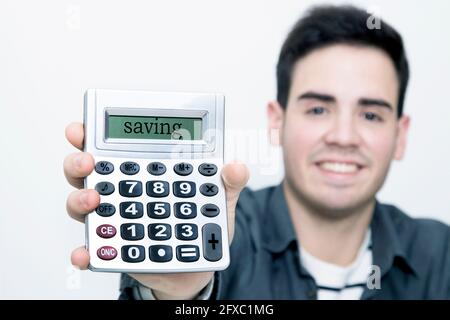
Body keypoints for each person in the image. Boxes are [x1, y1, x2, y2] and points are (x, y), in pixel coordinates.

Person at [64, 5, 450, 299]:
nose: (343, 136)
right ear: (276, 122)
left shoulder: (441, 255)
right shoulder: (221, 236)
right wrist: (181, 290)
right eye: (318, 109)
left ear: (400, 135)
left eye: (370, 113)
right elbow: (181, 284)